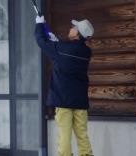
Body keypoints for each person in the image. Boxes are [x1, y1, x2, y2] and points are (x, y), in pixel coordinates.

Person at [35, 15, 94, 156]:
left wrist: (39, 24)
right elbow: (68, 49)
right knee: (82, 136)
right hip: (80, 102)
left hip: (63, 101)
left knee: (64, 137)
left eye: (74, 28)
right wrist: (57, 41)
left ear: (77, 34)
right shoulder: (86, 52)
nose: (71, 28)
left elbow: (41, 41)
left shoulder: (61, 49)